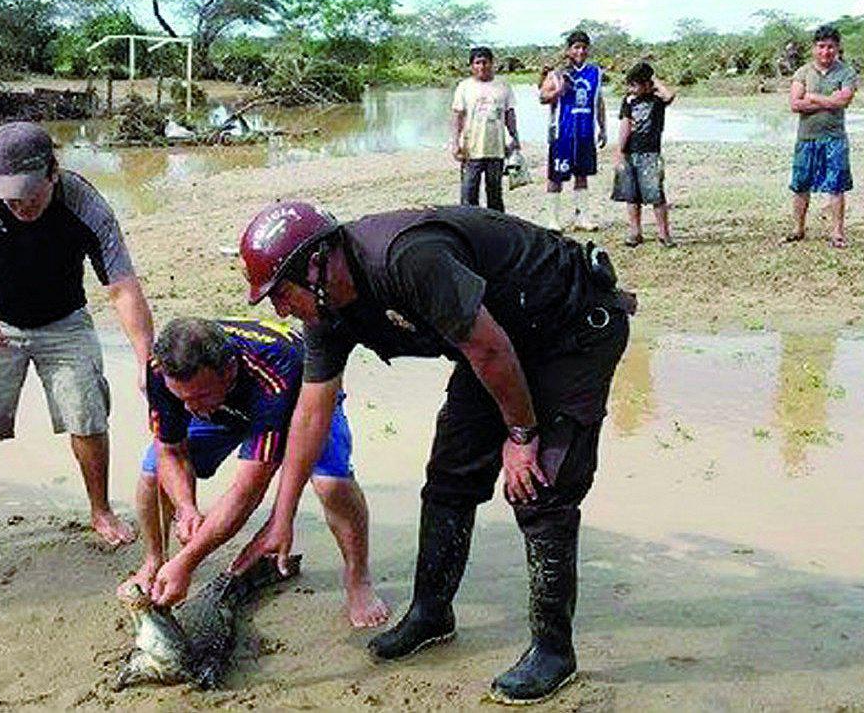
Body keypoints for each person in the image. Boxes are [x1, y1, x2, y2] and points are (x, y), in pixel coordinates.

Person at [205, 201, 633, 703]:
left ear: (317, 264)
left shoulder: (408, 258)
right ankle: (431, 614)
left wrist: (521, 436)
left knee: (540, 489)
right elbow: (311, 411)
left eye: (280, 293)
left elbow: (489, 350)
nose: (279, 309)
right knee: (450, 477)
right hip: (494, 341)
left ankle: (554, 652)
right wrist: (282, 517)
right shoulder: (325, 313)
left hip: (571, 329)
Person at [0, 121, 155, 563]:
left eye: (33, 193)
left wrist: (145, 359)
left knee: (88, 414)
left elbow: (121, 287)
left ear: (53, 174)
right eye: (13, 196)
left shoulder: (87, 206)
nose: (23, 205)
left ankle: (100, 511)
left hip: (63, 320)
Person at [124, 316, 389, 627]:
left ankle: (358, 577)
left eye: (199, 396)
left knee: (332, 484)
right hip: (226, 407)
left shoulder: (275, 372)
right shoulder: (162, 369)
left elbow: (248, 489)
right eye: (183, 399)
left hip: (298, 403)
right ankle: (155, 559)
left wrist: (188, 561)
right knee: (152, 473)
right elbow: (171, 451)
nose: (192, 409)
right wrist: (186, 508)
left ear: (229, 370)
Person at [782, 24, 858, 249]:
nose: (826, 52)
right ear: (814, 48)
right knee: (800, 185)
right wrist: (829, 101)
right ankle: (798, 229)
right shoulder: (803, 72)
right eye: (822, 47)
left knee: (836, 186)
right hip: (806, 138)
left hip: (835, 138)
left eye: (831, 47)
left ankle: (837, 233)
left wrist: (812, 97)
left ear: (838, 48)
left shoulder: (846, 72)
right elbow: (795, 104)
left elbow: (843, 101)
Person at [539, 31, 607, 231]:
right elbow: (543, 97)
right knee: (556, 176)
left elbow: (599, 102)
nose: (581, 51)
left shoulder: (595, 72)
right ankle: (553, 220)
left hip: (585, 131)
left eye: (584, 47)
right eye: (576, 47)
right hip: (563, 132)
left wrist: (603, 128)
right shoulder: (557, 73)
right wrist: (559, 90)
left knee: (582, 175)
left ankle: (582, 217)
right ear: (569, 50)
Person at [611, 62, 676, 247]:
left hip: (651, 154)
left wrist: (654, 79)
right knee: (632, 195)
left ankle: (664, 233)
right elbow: (625, 125)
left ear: (647, 84)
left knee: (656, 194)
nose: (631, 89)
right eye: (629, 85)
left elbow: (670, 95)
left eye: (635, 85)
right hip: (631, 152)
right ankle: (635, 232)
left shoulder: (657, 100)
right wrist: (620, 151)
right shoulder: (628, 101)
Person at [451, 46, 520, 212]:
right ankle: (469, 230)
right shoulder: (464, 87)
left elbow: (509, 114)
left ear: (492, 63)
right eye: (477, 63)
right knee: (469, 193)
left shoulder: (503, 87)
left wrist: (515, 138)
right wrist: (455, 143)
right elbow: (457, 116)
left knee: (495, 193)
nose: (482, 67)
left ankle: (496, 230)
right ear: (471, 66)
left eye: (485, 62)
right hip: (471, 149)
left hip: (496, 149)